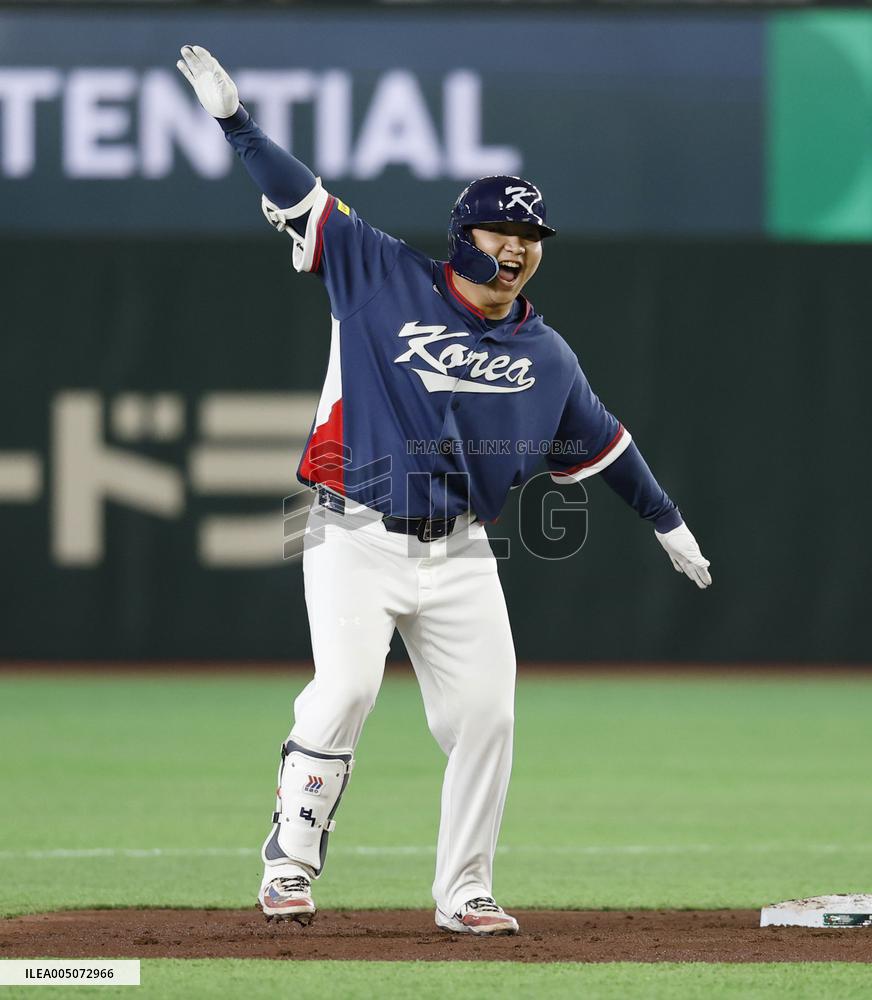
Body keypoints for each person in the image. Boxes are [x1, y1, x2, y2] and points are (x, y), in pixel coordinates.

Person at [177, 45, 712, 937]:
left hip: (461, 547)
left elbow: (606, 441)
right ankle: (289, 862)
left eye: (531, 238)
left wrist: (666, 520)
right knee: (346, 689)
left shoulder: (545, 355)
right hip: (348, 527)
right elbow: (300, 195)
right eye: (504, 231)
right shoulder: (381, 273)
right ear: (466, 234)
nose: (519, 248)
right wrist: (237, 124)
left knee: (486, 716)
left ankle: (465, 891)